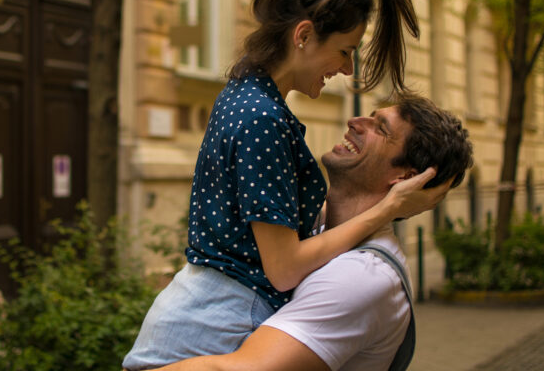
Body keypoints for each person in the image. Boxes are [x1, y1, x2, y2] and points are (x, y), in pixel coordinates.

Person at [123, 0, 447, 370]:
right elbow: (285, 269)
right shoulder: (264, 119)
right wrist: (389, 209)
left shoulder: (246, 94)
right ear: (304, 35)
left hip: (201, 312)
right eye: (345, 51)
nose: (347, 68)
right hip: (214, 322)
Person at [156, 94, 474, 371]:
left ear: (405, 178)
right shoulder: (319, 231)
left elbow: (246, 369)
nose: (354, 121)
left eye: (381, 128)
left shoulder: (361, 276)